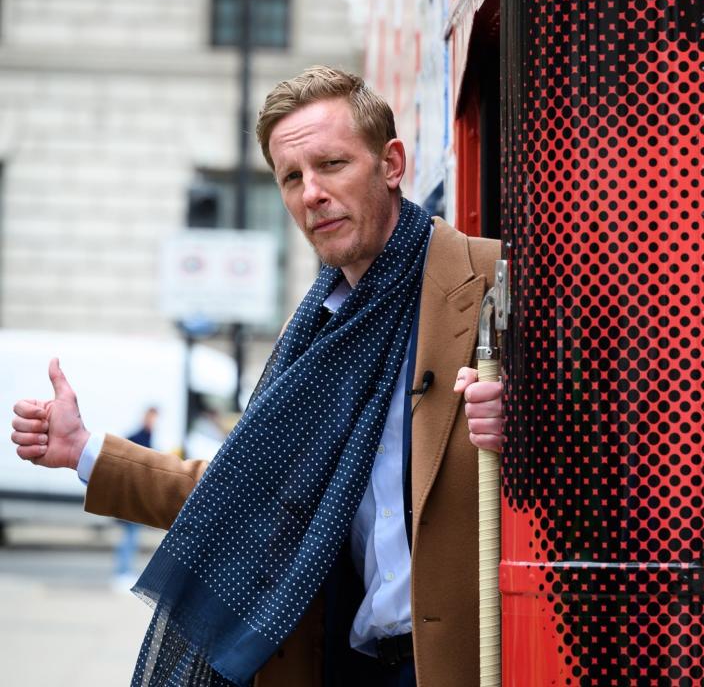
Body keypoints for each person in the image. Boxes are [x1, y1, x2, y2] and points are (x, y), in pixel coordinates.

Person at [10, 66, 506, 687]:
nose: (311, 194)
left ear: (392, 163)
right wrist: (84, 451)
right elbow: (238, 496)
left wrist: (530, 425)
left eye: (331, 164)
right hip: (344, 667)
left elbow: (618, 456)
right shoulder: (318, 332)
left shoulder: (493, 280)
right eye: (291, 177)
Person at [112, 405, 159, 589]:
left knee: (131, 536)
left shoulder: (146, 437)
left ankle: (124, 571)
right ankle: (122, 572)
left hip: (137, 496)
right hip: (131, 495)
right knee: (129, 536)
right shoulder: (137, 438)